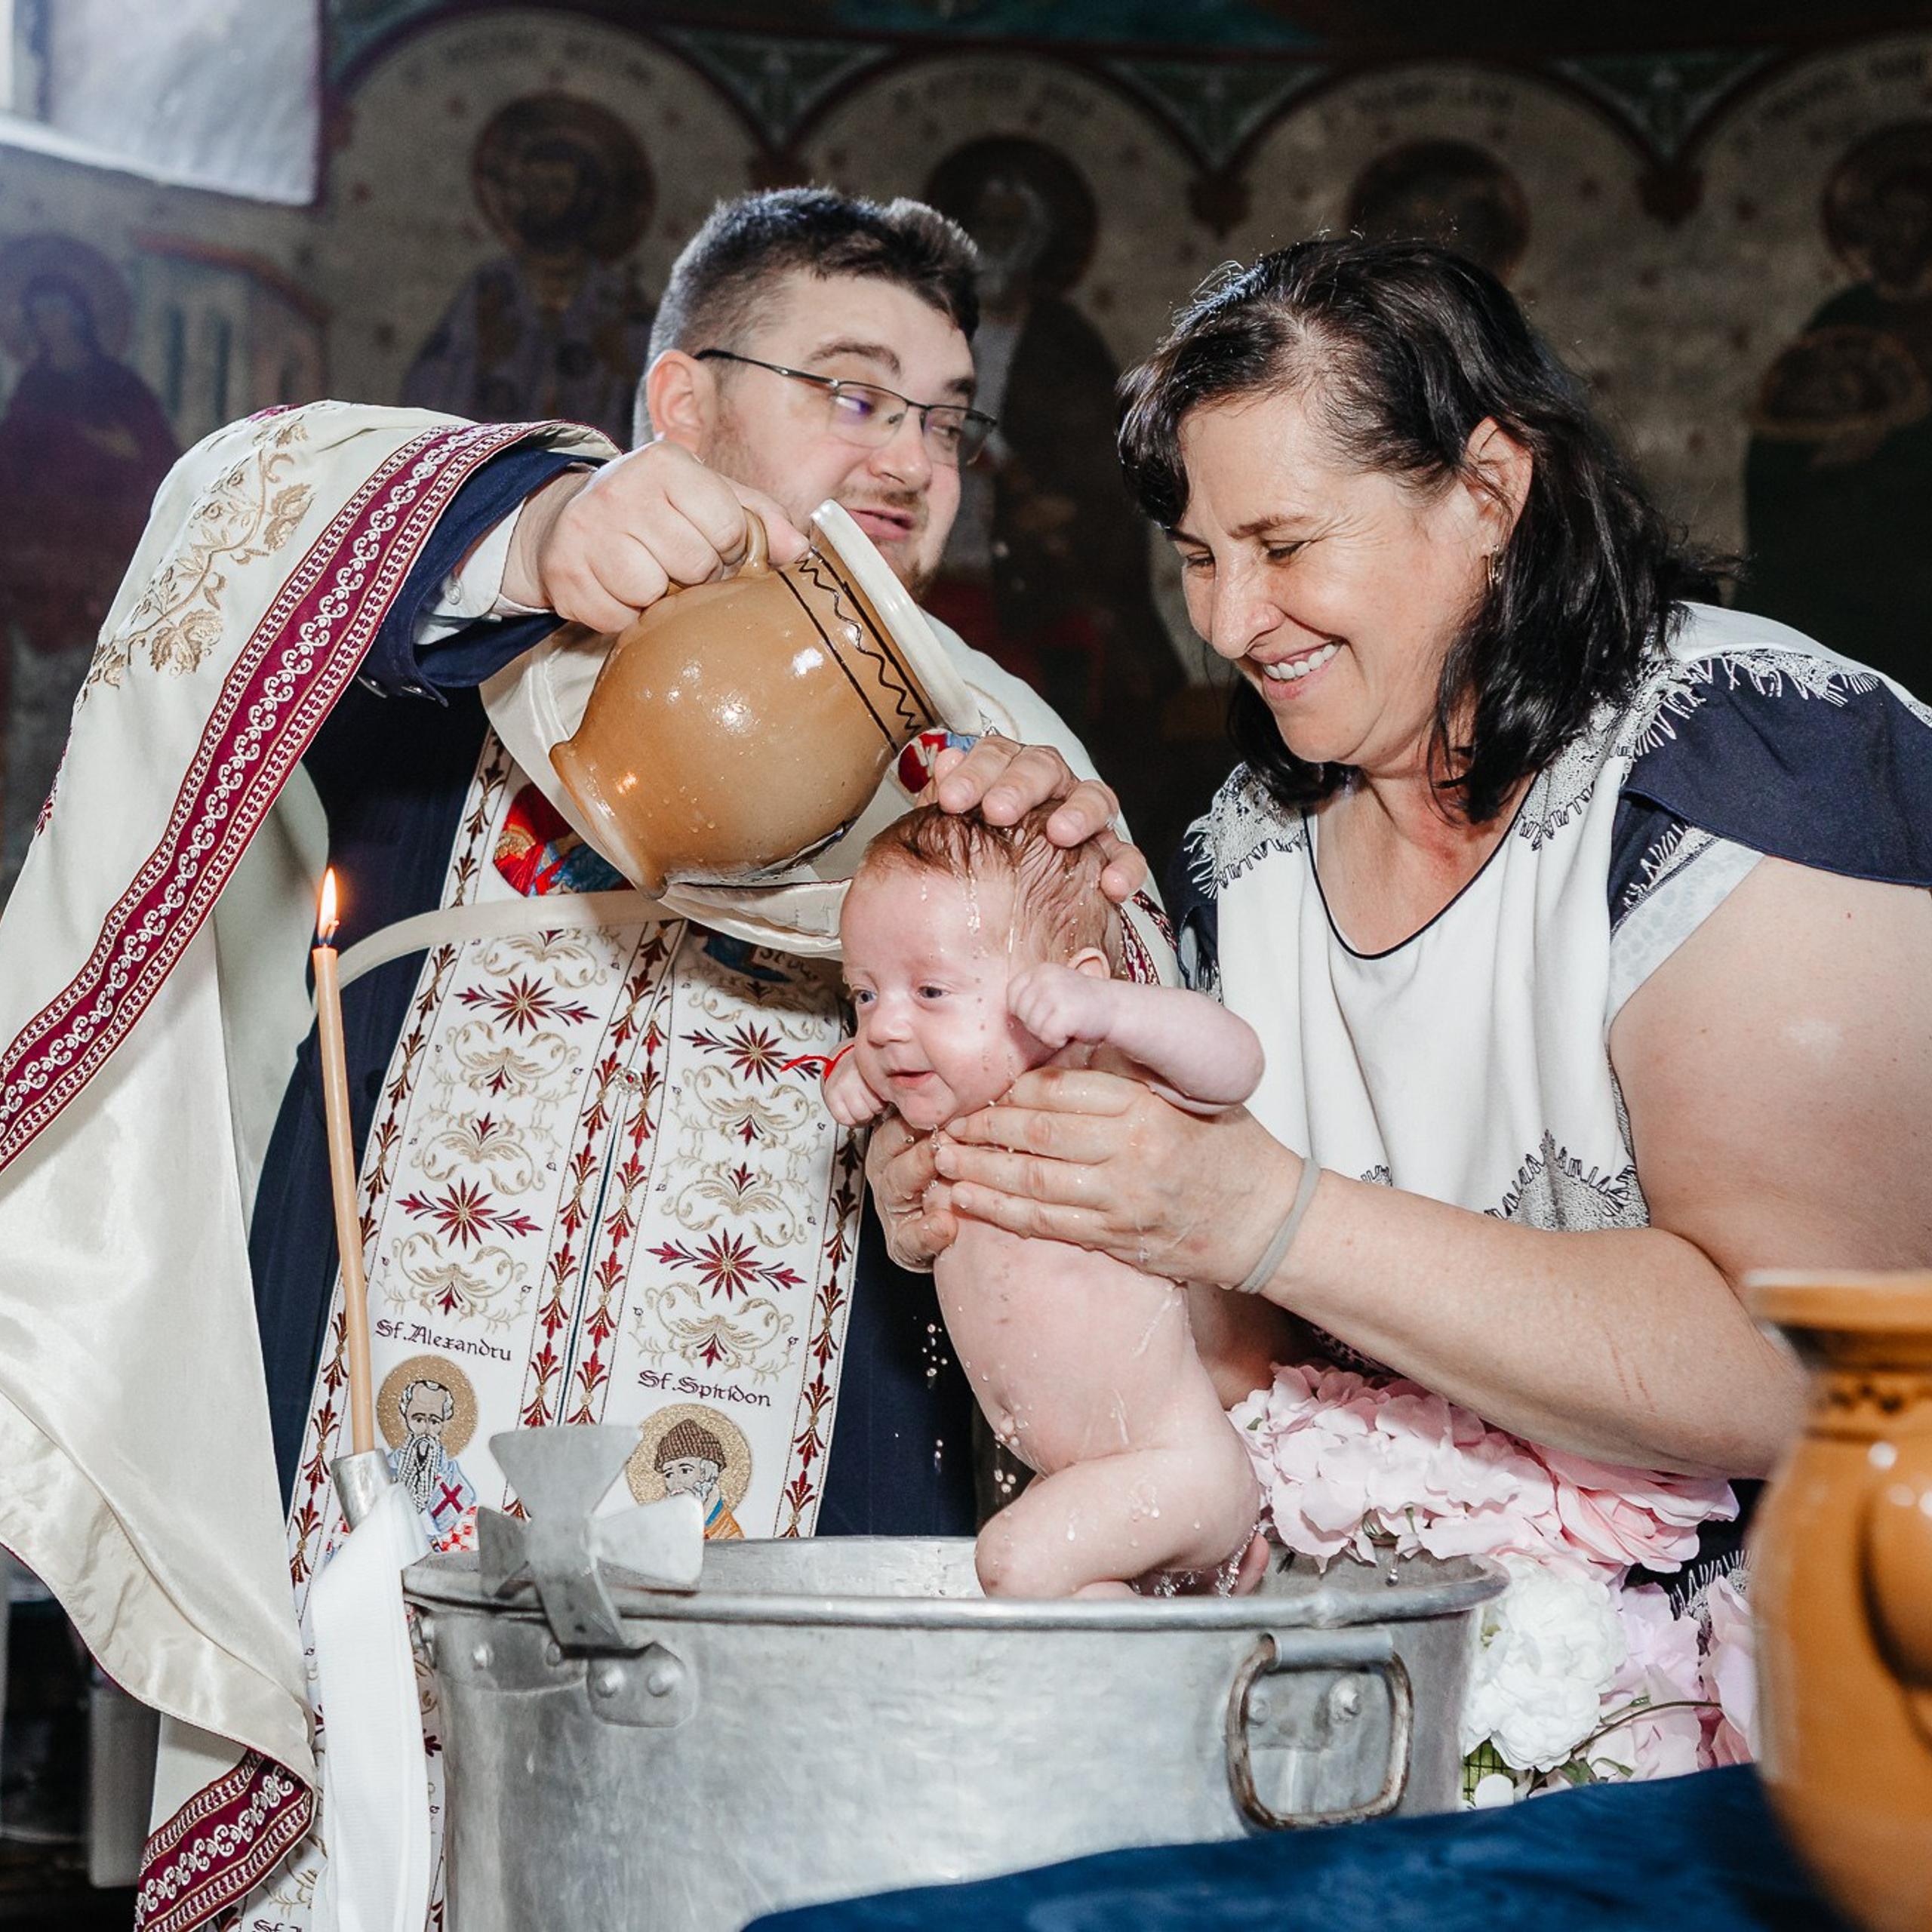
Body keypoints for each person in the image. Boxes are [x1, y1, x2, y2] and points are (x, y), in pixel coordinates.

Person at [0, 188, 1165, 1932]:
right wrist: (540, 520)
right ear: (684, 405)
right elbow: (225, 513)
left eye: (943, 414)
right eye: (853, 388)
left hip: (791, 1518)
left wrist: (1068, 941)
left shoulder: (1012, 761)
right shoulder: (462, 634)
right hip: (379, 1495)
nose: (913, 454)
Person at [884, 236, 1932, 1785]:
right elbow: (1233, 1380)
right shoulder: (1240, 853)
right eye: (1193, 554)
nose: (1231, 619)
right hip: (1392, 1716)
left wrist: (1263, 1211)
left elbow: (1808, 1367)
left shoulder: (1745, 761)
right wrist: (1024, 1181)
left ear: (1487, 492)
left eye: (1283, 540)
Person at [827, 803, 1262, 1598]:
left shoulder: (1092, 1085)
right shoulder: (946, 1115)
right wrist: (855, 1075)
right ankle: (1180, 1702)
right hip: (1084, 1479)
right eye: (863, 994)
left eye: (929, 988)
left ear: (1071, 989)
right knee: (1068, 1629)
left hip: (1175, 1466)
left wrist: (1117, 1014)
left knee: (1009, 1564)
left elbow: (1236, 1065)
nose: (885, 1026)